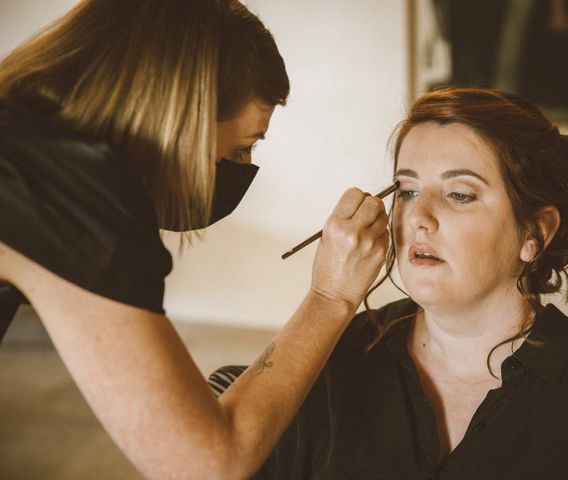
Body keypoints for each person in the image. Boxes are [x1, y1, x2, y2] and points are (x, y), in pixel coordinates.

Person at [0, 1, 389, 478]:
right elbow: (207, 463)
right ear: (180, 113)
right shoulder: (71, 194)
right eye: (242, 146)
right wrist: (331, 297)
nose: (243, 168)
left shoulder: (24, 129)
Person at [244, 87, 568, 479]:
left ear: (535, 231)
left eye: (460, 195)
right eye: (408, 190)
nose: (418, 216)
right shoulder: (335, 356)